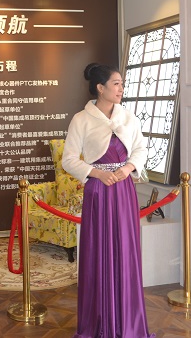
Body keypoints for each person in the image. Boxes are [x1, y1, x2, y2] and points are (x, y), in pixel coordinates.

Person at [62, 63, 154, 338]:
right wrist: (98, 174)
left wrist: (128, 169)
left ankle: (128, 325)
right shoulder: (81, 119)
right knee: (99, 251)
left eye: (122, 83)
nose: (121, 88)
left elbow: (141, 149)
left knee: (125, 251)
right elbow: (68, 160)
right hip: (99, 191)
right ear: (100, 88)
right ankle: (99, 324)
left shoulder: (128, 117)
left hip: (124, 190)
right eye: (116, 83)